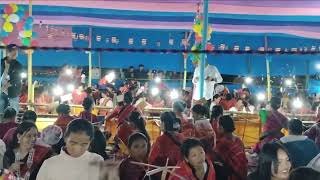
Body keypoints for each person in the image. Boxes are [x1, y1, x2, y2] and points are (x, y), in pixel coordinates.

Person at [36, 119, 104, 180]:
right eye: (73, 143)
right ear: (65, 138)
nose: (77, 149)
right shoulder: (49, 164)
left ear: (90, 142)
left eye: (84, 144)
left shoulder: (97, 161)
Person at [149, 111, 183, 180]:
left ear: (163, 123)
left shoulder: (161, 140)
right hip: (179, 171)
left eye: (160, 122)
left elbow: (151, 159)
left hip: (164, 173)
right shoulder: (180, 136)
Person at [214, 115, 248, 180]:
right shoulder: (238, 140)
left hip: (232, 176)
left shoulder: (221, 144)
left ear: (221, 128)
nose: (216, 127)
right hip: (243, 172)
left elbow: (215, 160)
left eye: (217, 125)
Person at [1, 44, 23, 113]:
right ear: (8, 52)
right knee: (1, 113)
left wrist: (6, 86)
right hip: (2, 92)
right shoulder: (1, 62)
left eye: (16, 51)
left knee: (14, 112)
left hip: (13, 93)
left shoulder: (18, 65)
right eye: (14, 51)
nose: (16, 53)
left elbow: (16, 79)